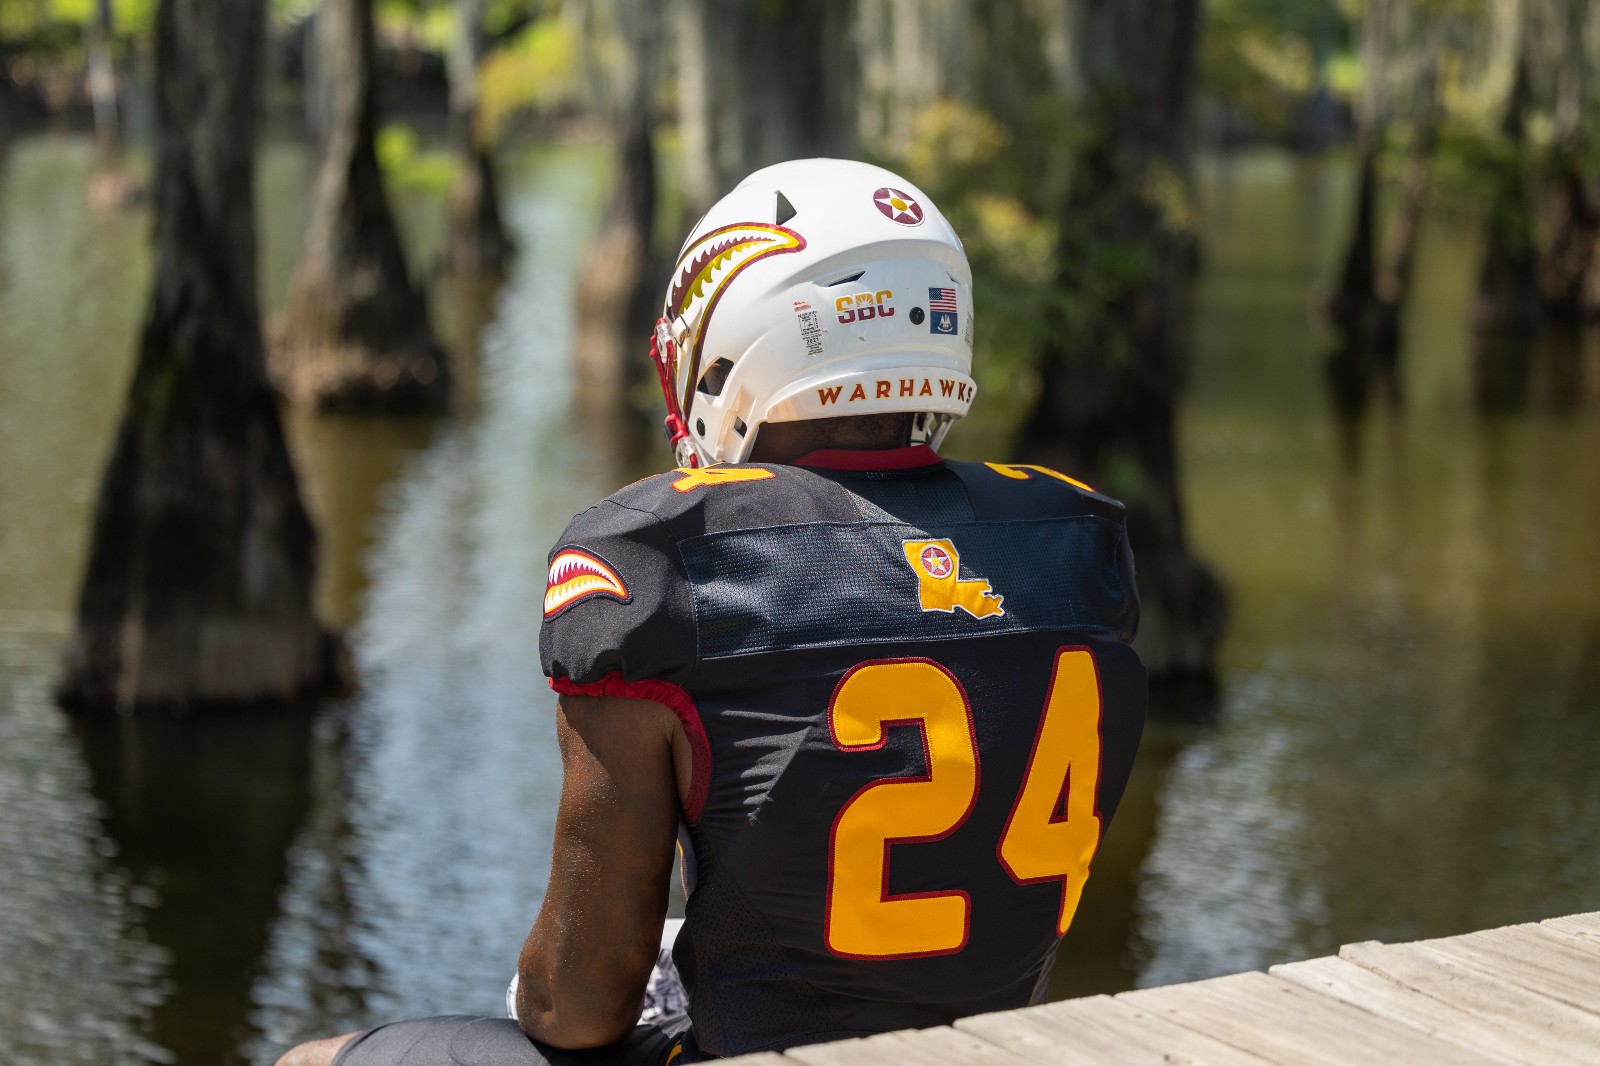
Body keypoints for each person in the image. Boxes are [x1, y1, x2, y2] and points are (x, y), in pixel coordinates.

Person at [278, 158, 1146, 1066]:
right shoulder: (1075, 540)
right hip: (983, 1051)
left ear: (744, 341)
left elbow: (577, 1006)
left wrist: (565, 978)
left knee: (311, 1061)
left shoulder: (662, 555)